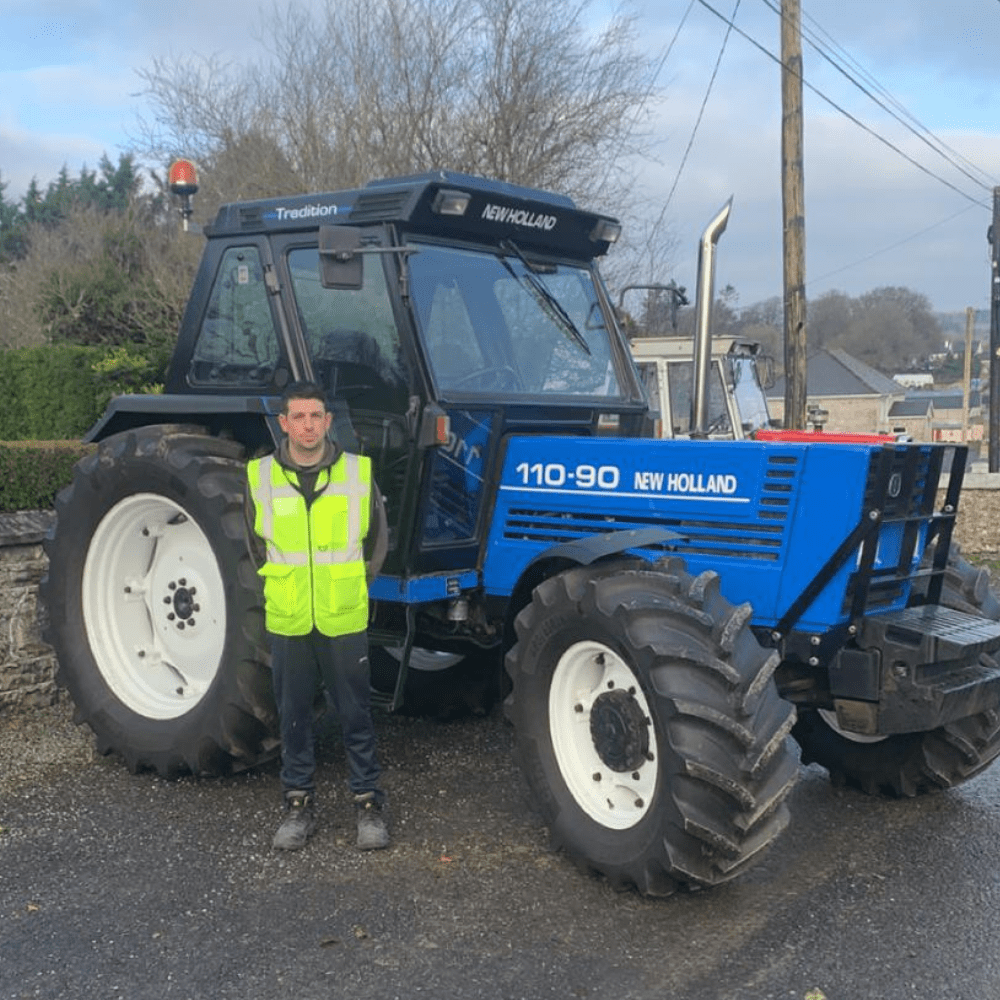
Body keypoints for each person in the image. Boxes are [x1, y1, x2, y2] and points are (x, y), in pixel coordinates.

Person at [246, 380, 390, 851]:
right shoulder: (260, 477)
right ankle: (297, 808)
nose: (308, 426)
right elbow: (256, 546)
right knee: (293, 718)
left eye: (316, 417)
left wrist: (351, 586)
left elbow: (377, 544)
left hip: (343, 615)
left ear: (328, 422)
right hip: (289, 618)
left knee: (356, 715)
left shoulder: (357, 474)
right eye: (298, 417)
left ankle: (368, 808)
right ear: (284, 423)